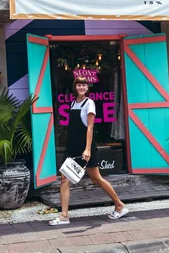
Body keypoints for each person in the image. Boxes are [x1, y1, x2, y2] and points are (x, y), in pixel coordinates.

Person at [49, 76, 128, 226]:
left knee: (96, 178)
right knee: (64, 179)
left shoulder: (89, 103)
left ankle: (119, 205)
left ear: (87, 87)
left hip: (85, 147)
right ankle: (64, 215)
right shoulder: (73, 103)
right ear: (75, 87)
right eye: (79, 85)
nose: (81, 87)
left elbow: (90, 127)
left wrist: (87, 149)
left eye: (84, 85)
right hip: (71, 147)